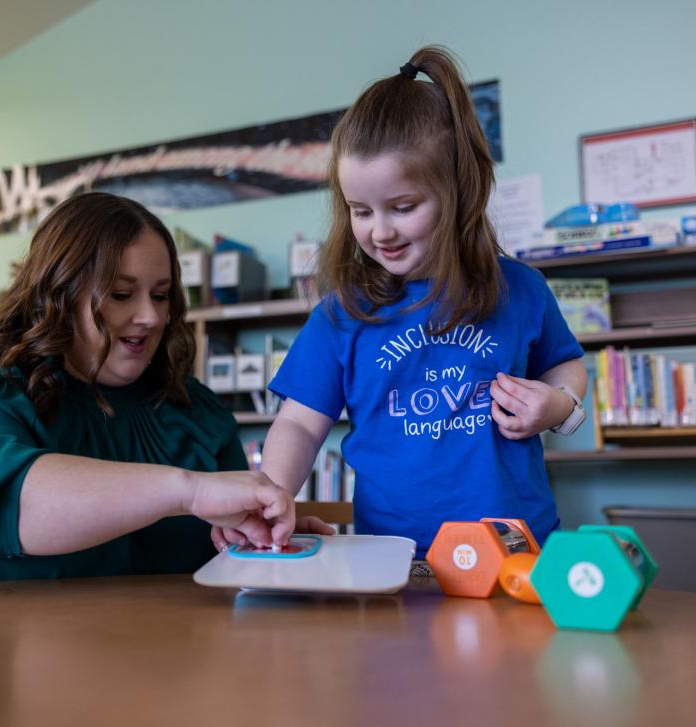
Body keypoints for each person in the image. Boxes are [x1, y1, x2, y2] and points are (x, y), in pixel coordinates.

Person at [221, 46, 587, 560]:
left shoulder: (521, 288)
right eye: (360, 210)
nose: (380, 230)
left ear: (458, 189)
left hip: (517, 552)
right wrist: (272, 492)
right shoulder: (341, 314)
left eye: (403, 207)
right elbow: (301, 422)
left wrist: (558, 407)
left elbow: (566, 366)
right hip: (395, 558)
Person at [0, 192, 302, 587]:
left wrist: (267, 542)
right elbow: (5, 505)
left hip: (166, 650)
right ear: (57, 294)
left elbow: (224, 562)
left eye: (161, 296)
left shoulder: (198, 411)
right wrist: (189, 490)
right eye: (121, 294)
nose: (149, 316)